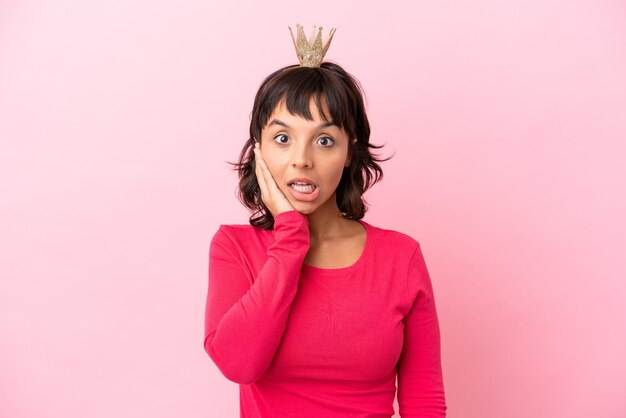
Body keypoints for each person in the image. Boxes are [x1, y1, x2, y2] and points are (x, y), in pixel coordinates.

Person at [204, 24, 447, 417]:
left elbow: (424, 402)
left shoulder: (400, 257)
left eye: (324, 140)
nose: (302, 158)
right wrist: (289, 238)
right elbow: (238, 364)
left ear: (350, 152)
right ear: (259, 149)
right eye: (283, 138)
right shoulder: (234, 249)